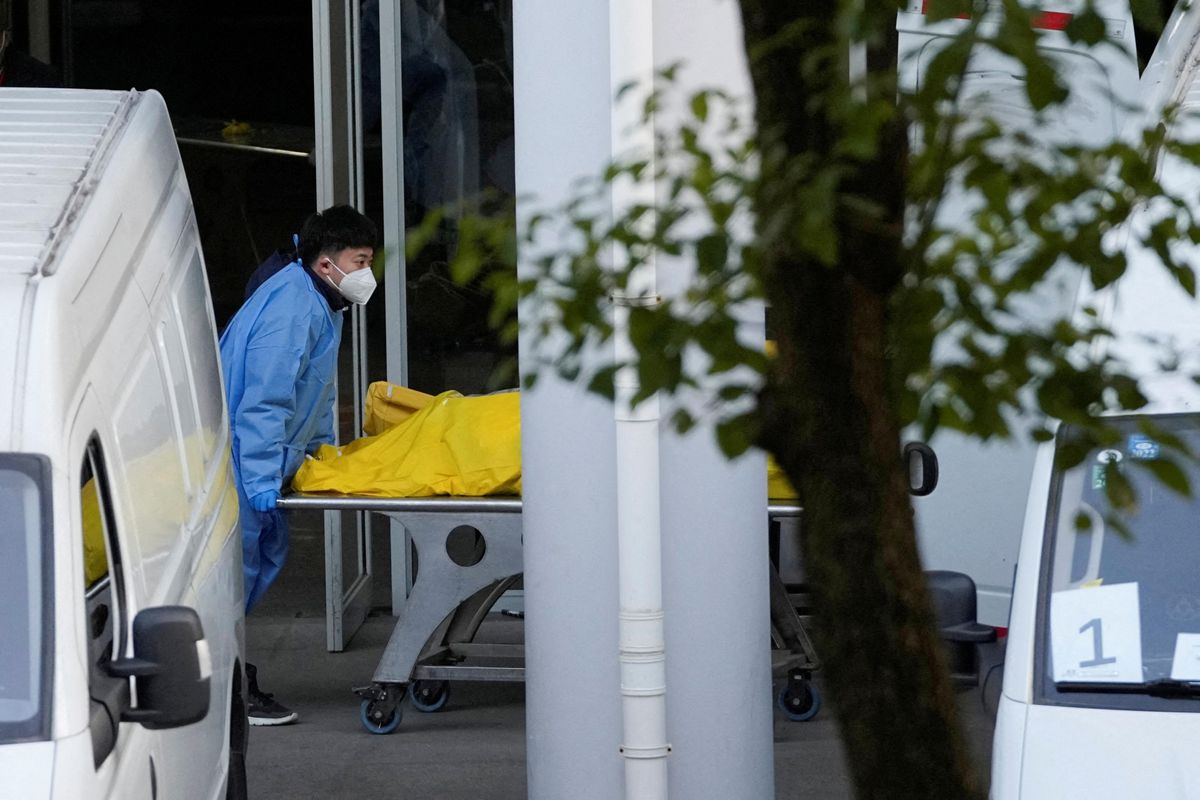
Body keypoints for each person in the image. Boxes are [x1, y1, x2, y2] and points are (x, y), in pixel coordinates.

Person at [219, 205, 378, 725]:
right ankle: (227, 692)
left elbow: (312, 390)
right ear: (327, 262)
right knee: (229, 585)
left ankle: (229, 678)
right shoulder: (293, 307)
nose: (366, 274)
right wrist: (262, 478)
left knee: (251, 571)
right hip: (242, 463)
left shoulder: (315, 302)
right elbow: (264, 400)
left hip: (258, 460)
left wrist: (323, 452)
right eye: (360, 260)